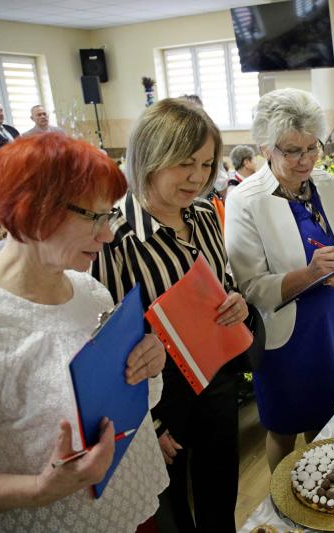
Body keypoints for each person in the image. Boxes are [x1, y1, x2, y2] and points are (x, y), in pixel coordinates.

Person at [0, 133, 168, 531]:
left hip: (132, 502)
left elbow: (128, 402)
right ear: (35, 211)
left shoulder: (89, 291)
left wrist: (148, 365)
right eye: (95, 217)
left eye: (109, 216)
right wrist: (39, 489)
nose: (108, 234)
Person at [92, 98, 249, 533]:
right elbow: (107, 341)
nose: (197, 177)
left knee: (220, 496)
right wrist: (149, 424)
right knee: (171, 511)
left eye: (206, 164)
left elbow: (222, 281)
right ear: (151, 157)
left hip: (216, 377)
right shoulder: (116, 236)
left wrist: (235, 299)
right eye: (184, 163)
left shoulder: (204, 214)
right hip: (160, 399)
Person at [225, 88, 334, 473]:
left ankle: (323, 485)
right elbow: (251, 287)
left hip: (324, 321)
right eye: (293, 151)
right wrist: (310, 274)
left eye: (312, 147)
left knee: (325, 418)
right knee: (283, 427)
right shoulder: (246, 199)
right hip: (282, 333)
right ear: (265, 148)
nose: (306, 160)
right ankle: (282, 496)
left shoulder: (323, 183)